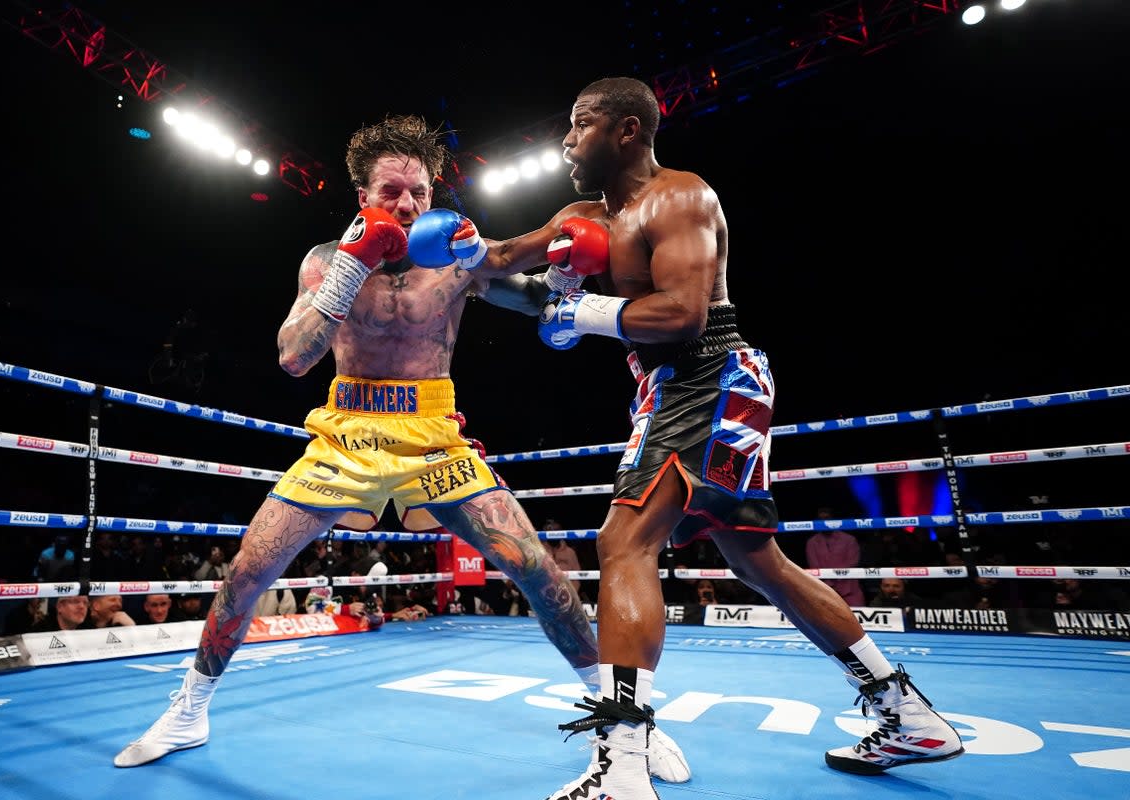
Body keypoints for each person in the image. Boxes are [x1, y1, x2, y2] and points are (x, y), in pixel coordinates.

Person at [407, 77, 963, 797]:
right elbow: (504, 259)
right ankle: (909, 713)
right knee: (758, 562)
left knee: (623, 542)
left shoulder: (681, 198)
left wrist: (584, 314)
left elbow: (685, 316)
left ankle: (623, 766)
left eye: (581, 126)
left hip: (709, 373)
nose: (568, 141)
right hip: (681, 386)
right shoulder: (579, 214)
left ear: (627, 131)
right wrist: (455, 242)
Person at [113, 113, 688, 783]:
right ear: (363, 194)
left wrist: (565, 274)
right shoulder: (325, 261)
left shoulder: (457, 257)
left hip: (434, 438)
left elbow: (548, 314)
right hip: (346, 432)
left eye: (419, 191)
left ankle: (624, 725)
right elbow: (295, 358)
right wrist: (350, 269)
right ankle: (188, 710)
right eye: (392, 192)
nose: (408, 205)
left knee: (536, 567)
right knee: (247, 570)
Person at [804, 506, 865, 607]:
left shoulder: (849, 540)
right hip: (824, 589)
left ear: (833, 519)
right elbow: (814, 565)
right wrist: (829, 585)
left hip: (849, 589)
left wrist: (837, 579)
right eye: (821, 520)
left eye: (827, 519)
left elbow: (852, 562)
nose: (824, 523)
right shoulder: (812, 542)